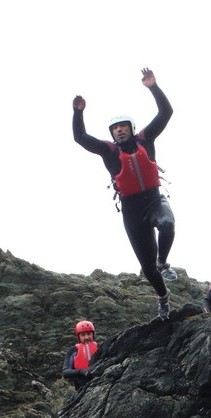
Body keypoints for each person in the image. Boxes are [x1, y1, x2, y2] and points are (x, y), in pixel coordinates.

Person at [72, 68, 177, 321]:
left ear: (131, 128)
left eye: (122, 127)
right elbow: (80, 138)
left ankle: (164, 262)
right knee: (147, 267)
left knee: (168, 225)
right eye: (114, 128)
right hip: (132, 211)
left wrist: (153, 86)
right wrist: (78, 113)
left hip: (154, 199)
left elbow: (166, 113)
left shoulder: (145, 140)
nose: (119, 131)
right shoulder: (108, 151)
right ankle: (163, 297)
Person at [62, 320, 99, 390]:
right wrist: (81, 371)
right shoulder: (73, 351)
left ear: (93, 334)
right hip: (82, 389)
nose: (87, 337)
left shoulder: (100, 347)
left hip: (101, 383)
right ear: (78, 337)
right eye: (83, 335)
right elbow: (65, 372)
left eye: (89, 334)